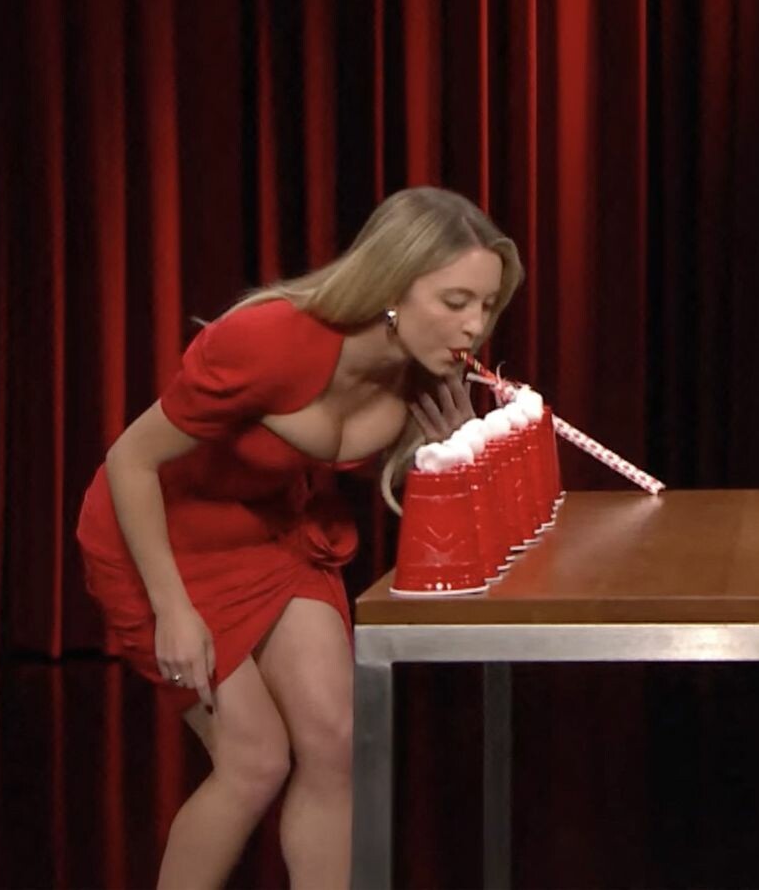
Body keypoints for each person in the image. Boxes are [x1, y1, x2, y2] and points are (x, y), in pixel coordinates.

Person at [75, 187, 523, 888]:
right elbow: (130, 460)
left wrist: (450, 452)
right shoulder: (271, 339)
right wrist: (173, 609)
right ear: (392, 286)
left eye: (487, 305)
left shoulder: (422, 371)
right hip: (161, 537)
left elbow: (415, 500)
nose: (475, 326)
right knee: (254, 761)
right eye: (455, 301)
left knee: (337, 743)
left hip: (273, 534)